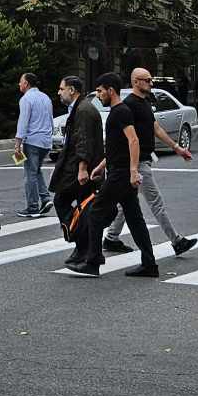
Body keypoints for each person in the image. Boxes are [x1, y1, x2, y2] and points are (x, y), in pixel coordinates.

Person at [103, 68, 198, 259]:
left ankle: (112, 237)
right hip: (137, 163)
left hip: (142, 160)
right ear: (136, 82)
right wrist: (130, 167)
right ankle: (177, 241)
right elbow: (126, 140)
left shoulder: (144, 103)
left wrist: (177, 147)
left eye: (150, 80)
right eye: (147, 80)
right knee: (155, 202)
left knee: (126, 203)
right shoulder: (128, 105)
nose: (151, 83)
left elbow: (155, 127)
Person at [67, 72, 153, 278]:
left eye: (100, 91)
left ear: (110, 90)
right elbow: (118, 146)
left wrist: (133, 172)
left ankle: (93, 261)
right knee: (135, 219)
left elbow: (133, 141)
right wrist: (102, 165)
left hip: (121, 174)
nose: (98, 95)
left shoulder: (120, 112)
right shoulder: (117, 112)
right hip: (118, 170)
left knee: (96, 212)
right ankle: (150, 264)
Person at [50, 75, 101, 244]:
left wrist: (82, 168)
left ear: (72, 90)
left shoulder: (84, 110)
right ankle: (81, 242)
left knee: (63, 200)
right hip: (77, 167)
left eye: (61, 89)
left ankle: (78, 237)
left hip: (80, 169)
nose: (59, 92)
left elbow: (84, 141)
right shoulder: (79, 108)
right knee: (82, 206)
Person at [14, 73, 52, 219]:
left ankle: (32, 206)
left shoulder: (26, 99)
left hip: (32, 141)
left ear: (27, 84)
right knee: (36, 171)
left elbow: (23, 122)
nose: (19, 84)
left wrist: (18, 143)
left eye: (21, 81)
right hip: (45, 141)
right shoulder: (46, 97)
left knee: (30, 174)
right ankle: (45, 199)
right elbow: (49, 119)